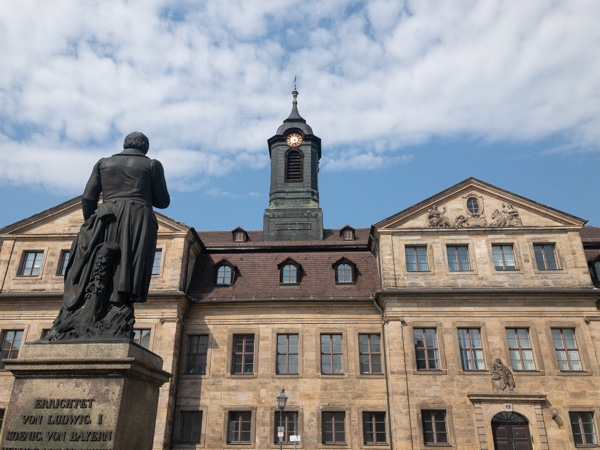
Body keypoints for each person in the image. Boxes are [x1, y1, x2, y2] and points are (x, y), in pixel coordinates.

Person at [44, 132, 170, 341]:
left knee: (95, 263)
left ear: (124, 144)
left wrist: (91, 222)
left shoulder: (103, 163)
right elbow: (163, 200)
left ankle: (91, 310)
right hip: (137, 218)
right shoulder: (152, 165)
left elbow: (88, 197)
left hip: (105, 216)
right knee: (127, 263)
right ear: (145, 148)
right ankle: (117, 304)